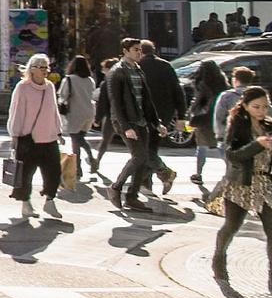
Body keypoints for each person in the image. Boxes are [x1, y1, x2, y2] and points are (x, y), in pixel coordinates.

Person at [211, 85, 272, 298]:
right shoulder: (237, 126)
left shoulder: (271, 124)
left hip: (264, 184)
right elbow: (232, 155)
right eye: (256, 107)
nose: (261, 111)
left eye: (265, 106)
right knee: (232, 226)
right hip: (241, 184)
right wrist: (257, 144)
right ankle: (219, 258)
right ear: (246, 106)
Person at [106, 38, 163, 213]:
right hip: (127, 122)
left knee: (144, 158)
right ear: (125, 51)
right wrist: (125, 126)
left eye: (140, 50)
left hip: (141, 121)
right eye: (135, 50)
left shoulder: (138, 70)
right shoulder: (117, 72)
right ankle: (116, 187)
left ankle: (132, 196)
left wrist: (156, 122)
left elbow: (147, 100)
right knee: (138, 156)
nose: (139, 53)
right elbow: (115, 102)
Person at [7, 54, 64, 220]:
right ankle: (26, 203)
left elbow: (54, 110)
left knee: (54, 172)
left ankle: (50, 201)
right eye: (40, 66)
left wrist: (58, 131)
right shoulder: (22, 87)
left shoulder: (50, 87)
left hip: (49, 138)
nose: (44, 70)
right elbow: (16, 113)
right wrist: (15, 135)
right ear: (31, 69)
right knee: (26, 174)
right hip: (28, 139)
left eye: (46, 66)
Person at [137, 40, 185, 198]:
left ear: (140, 51)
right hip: (164, 114)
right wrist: (181, 116)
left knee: (142, 149)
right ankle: (146, 183)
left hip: (144, 114)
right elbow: (178, 90)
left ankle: (163, 173)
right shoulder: (166, 66)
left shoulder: (137, 66)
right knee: (151, 147)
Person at [185, 58, 231, 196]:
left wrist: (190, 113)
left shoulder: (202, 83)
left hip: (204, 120)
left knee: (201, 148)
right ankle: (231, 169)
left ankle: (198, 174)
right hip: (219, 117)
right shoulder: (223, 83)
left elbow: (198, 101)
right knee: (221, 145)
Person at [60, 55, 100, 176]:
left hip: (75, 112)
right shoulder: (90, 80)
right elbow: (93, 95)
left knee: (75, 140)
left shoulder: (69, 79)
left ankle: (78, 168)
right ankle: (91, 159)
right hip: (89, 112)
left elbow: (63, 95)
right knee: (80, 138)